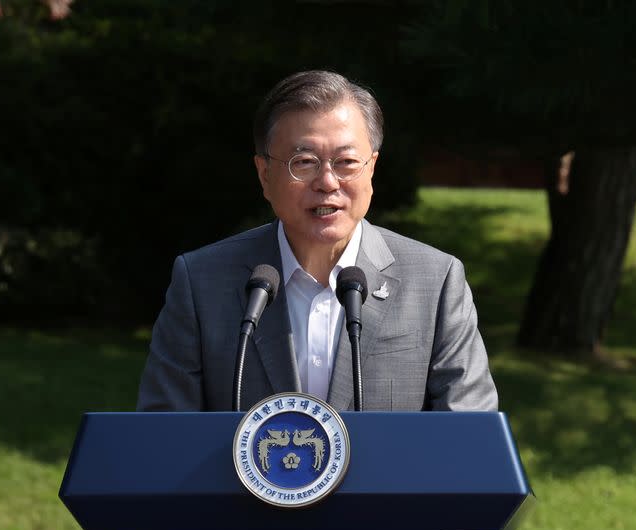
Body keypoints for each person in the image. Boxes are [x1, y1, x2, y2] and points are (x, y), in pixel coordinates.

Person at [137, 70, 496, 416]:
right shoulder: (202, 282)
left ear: (371, 168)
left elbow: (470, 439)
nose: (327, 181)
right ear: (265, 174)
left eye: (346, 162)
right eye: (304, 162)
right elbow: (163, 440)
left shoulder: (435, 282)